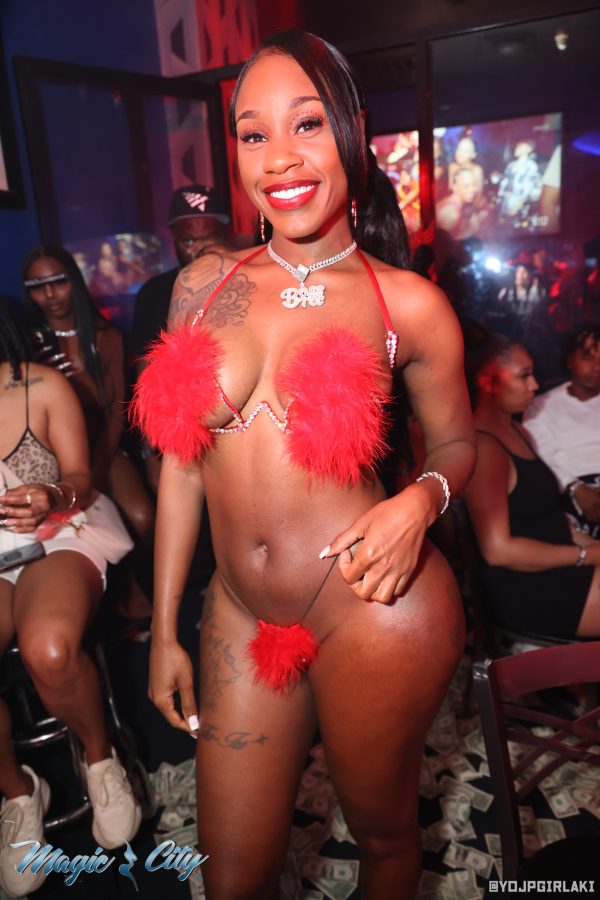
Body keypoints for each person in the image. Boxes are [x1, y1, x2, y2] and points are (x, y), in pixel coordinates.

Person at [134, 30, 474, 900]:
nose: (279, 157)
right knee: (231, 877)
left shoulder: (408, 304)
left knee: (385, 835)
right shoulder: (202, 287)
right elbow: (181, 466)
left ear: (351, 132)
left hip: (374, 611)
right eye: (254, 134)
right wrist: (165, 628)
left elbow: (458, 445)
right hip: (239, 612)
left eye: (307, 124)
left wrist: (418, 503)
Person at [0, 301, 140, 897]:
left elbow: (81, 480)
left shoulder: (39, 384)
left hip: (60, 531)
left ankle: (100, 757)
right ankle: (19, 794)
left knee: (49, 648)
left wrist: (50, 494)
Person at [22, 244, 154, 618]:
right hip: (51, 456)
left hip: (103, 447)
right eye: (37, 285)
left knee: (142, 517)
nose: (50, 294)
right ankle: (109, 600)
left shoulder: (106, 335)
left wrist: (93, 470)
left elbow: (116, 413)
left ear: (75, 282)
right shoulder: (30, 344)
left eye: (58, 281)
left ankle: (130, 585)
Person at [463, 331, 600, 640]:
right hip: (528, 585)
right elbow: (498, 551)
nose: (535, 385)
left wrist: (588, 544)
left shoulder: (518, 431)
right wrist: (585, 555)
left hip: (556, 564)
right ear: (488, 382)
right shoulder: (485, 448)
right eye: (524, 376)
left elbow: (546, 519)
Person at [131, 185, 234, 492]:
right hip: (184, 447)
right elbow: (146, 374)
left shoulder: (256, 279)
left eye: (210, 238)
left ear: (226, 235)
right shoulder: (155, 293)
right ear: (173, 240)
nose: (199, 249)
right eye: (188, 240)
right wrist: (149, 452)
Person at [523, 326, 600, 539]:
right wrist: (576, 488)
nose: (597, 367)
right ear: (569, 360)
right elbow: (542, 457)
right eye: (588, 357)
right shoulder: (541, 406)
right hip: (570, 488)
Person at [435, 167, 489, 240]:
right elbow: (443, 243)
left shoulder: (455, 205)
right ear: (454, 187)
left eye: (474, 184)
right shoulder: (451, 213)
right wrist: (472, 230)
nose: (473, 189)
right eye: (466, 186)